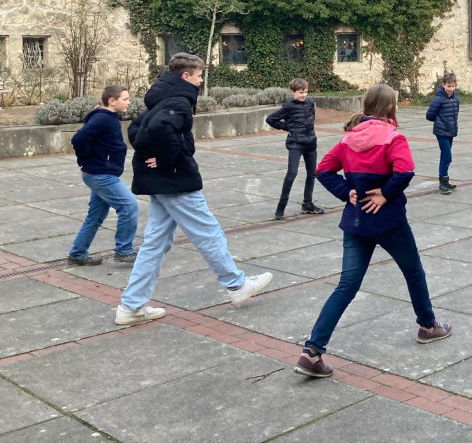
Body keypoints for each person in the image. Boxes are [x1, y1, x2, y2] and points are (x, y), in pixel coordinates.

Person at [295, 83, 452, 378]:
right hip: (389, 221)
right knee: (413, 271)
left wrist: (346, 192)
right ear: (390, 107)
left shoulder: (348, 138)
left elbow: (323, 170)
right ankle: (428, 326)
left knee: (346, 286)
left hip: (356, 222)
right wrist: (385, 194)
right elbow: (406, 170)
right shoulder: (394, 136)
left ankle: (312, 352)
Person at [116, 53, 272, 325]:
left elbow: (137, 129)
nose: (201, 81)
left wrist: (151, 154)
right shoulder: (178, 100)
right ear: (185, 76)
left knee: (155, 243)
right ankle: (235, 284)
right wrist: (165, 159)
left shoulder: (161, 96)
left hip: (164, 182)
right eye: (199, 76)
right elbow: (160, 128)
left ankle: (131, 306)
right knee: (206, 230)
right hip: (175, 180)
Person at [67, 85, 138, 266]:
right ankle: (124, 250)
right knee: (129, 206)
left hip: (100, 172)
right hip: (100, 174)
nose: (128, 102)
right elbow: (78, 139)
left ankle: (77, 253)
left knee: (95, 216)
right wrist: (86, 160)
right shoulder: (102, 119)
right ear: (111, 101)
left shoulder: (108, 117)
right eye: (125, 99)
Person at [266, 78, 323, 219]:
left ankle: (307, 204)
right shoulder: (288, 106)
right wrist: (288, 127)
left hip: (310, 142)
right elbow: (270, 119)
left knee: (312, 174)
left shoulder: (310, 103)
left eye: (305, 92)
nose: (303, 95)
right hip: (296, 144)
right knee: (292, 173)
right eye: (300, 92)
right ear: (292, 92)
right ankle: (281, 207)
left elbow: (311, 119)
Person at [425, 71, 459, 195]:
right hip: (441, 132)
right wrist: (441, 121)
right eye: (449, 86)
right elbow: (429, 115)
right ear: (443, 85)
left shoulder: (455, 99)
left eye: (453, 86)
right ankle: (442, 182)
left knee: (445, 157)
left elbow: (455, 115)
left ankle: (444, 180)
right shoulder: (438, 99)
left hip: (450, 131)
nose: (451, 88)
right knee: (447, 156)